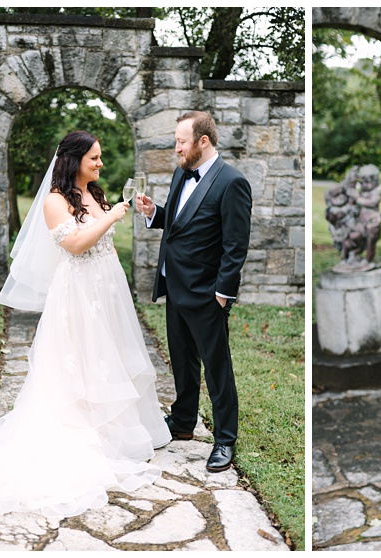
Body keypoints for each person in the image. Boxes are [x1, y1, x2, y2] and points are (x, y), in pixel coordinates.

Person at [0, 130, 170, 519]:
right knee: (79, 358)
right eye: (94, 158)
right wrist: (113, 216)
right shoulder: (54, 201)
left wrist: (113, 276)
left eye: (100, 157)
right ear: (74, 160)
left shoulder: (94, 195)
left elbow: (104, 243)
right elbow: (75, 244)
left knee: (108, 356)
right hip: (76, 292)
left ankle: (111, 428)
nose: (100, 163)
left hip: (105, 290)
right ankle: (81, 430)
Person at [134, 111, 252, 473]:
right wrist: (156, 212)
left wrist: (223, 292)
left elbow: (236, 244)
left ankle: (225, 440)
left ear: (203, 141)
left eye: (181, 141)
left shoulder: (232, 182)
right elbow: (180, 221)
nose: (176, 148)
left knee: (217, 369)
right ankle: (183, 421)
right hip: (175, 286)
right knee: (182, 362)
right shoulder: (181, 172)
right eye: (175, 141)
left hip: (206, 293)